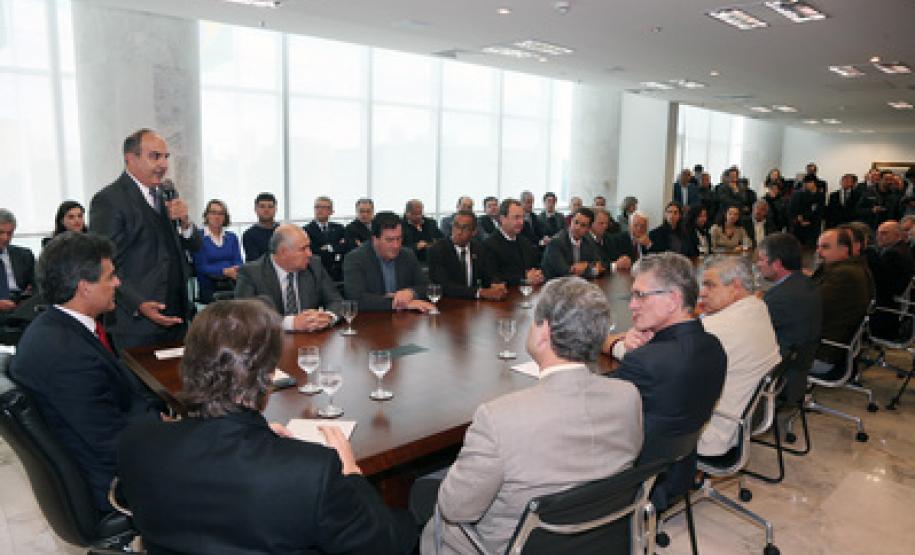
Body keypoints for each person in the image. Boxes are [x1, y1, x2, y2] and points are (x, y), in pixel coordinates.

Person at [117, 300, 417, 555]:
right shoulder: (313, 470)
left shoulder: (136, 442)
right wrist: (352, 473)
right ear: (270, 375)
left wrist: (266, 444)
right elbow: (384, 546)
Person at [419, 277, 643, 555]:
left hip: (510, 546)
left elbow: (455, 508)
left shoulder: (498, 419)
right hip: (601, 538)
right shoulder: (628, 396)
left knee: (432, 514)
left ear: (544, 331)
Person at [9, 232, 162, 510]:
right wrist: (167, 430)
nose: (118, 283)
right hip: (116, 483)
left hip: (117, 448)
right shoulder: (66, 356)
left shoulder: (53, 326)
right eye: (110, 277)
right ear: (85, 288)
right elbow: (111, 445)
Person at [604, 252, 727, 509]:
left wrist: (629, 348)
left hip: (639, 483)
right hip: (681, 471)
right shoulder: (714, 347)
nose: (632, 305)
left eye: (640, 295)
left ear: (672, 300)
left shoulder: (645, 362)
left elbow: (605, 418)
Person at [89, 129, 201, 349]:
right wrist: (138, 304)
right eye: (155, 156)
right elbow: (104, 263)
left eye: (166, 157)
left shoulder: (166, 195)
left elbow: (195, 246)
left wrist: (185, 222)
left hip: (176, 318)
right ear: (130, 159)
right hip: (135, 323)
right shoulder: (109, 200)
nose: (163, 164)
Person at [696, 256, 780, 456]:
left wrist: (620, 341)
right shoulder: (759, 307)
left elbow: (650, 358)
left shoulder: (716, 329)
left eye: (710, 285)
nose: (702, 293)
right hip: (746, 418)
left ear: (735, 286)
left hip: (715, 432)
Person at [235, 224, 342, 331]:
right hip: (270, 338)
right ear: (283, 252)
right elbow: (244, 316)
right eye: (303, 249)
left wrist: (328, 317)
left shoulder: (314, 265)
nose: (309, 254)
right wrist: (291, 323)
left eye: (309, 247)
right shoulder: (251, 273)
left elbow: (337, 301)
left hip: (310, 337)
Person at [810, 229, 872, 377]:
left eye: (825, 247)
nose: (819, 251)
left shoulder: (843, 274)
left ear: (844, 250)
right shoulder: (855, 267)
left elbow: (809, 309)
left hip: (823, 354)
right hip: (834, 349)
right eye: (818, 247)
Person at [343, 211, 433, 312]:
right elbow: (356, 298)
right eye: (390, 240)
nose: (396, 245)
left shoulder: (407, 254)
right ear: (374, 239)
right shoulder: (355, 258)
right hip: (371, 319)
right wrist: (399, 303)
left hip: (405, 319)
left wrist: (410, 292)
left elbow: (427, 287)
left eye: (399, 239)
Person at [756, 233, 822, 356]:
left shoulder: (777, 298)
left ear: (776, 264)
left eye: (760, 259)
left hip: (783, 363)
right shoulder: (807, 282)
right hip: (804, 357)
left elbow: (753, 332)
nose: (758, 264)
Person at [427, 210, 506, 300]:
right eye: (456, 226)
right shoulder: (437, 250)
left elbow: (488, 274)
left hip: (474, 304)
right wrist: (479, 292)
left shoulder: (479, 248)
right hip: (448, 303)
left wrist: (495, 284)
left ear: (474, 232)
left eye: (464, 228)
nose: (459, 232)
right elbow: (444, 286)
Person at [482, 199, 545, 287]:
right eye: (516, 217)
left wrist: (538, 274)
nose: (521, 222)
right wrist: (524, 279)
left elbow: (535, 266)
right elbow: (493, 277)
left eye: (522, 217)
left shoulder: (525, 242)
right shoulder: (489, 244)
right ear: (503, 219)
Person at [869, 220, 915, 339]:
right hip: (893, 306)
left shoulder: (893, 254)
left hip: (885, 311)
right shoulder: (902, 248)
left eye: (884, 233)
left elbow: (882, 286)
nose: (879, 237)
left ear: (897, 235)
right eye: (878, 233)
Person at [191, 199, 242, 303]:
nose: (217, 217)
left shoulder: (232, 237)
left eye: (221, 213)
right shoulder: (198, 237)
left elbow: (238, 261)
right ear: (206, 215)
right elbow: (202, 267)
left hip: (232, 284)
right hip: (209, 287)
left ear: (225, 217)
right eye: (213, 212)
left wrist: (234, 269)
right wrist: (224, 271)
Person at [541, 207, 604, 279]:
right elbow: (566, 272)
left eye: (583, 225)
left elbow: (600, 264)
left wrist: (586, 265)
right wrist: (594, 270)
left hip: (578, 283)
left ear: (588, 229)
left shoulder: (588, 241)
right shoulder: (555, 242)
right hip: (555, 283)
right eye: (576, 222)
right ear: (571, 221)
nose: (577, 227)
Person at [0, 209, 36, 324]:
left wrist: (28, 301)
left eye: (9, 233)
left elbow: (39, 286)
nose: (5, 238)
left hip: (21, 308)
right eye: (1, 232)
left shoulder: (24, 255)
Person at [304, 196, 348, 282]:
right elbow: (314, 252)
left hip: (338, 273)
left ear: (331, 211)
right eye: (317, 207)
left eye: (324, 207)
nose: (319, 210)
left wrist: (328, 247)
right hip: (317, 273)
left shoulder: (339, 228)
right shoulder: (306, 230)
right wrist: (335, 247)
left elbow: (346, 247)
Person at [402, 199, 443, 264]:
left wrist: (434, 244)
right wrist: (416, 247)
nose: (419, 216)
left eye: (420, 213)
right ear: (407, 213)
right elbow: (399, 248)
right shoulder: (401, 226)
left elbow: (442, 239)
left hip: (432, 259)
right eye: (415, 214)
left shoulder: (430, 223)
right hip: (411, 261)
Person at [241, 192, 279, 262]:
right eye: (262, 206)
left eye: (270, 206)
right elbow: (254, 262)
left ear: (275, 209)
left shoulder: (283, 232)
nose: (266, 210)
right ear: (256, 209)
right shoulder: (249, 235)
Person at [789, 175, 824, 247]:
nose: (806, 185)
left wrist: (810, 221)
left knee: (811, 247)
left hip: (813, 226)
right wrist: (800, 219)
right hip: (799, 225)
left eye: (808, 182)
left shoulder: (820, 195)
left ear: (813, 183)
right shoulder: (798, 194)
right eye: (805, 183)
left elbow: (820, 211)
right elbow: (793, 209)